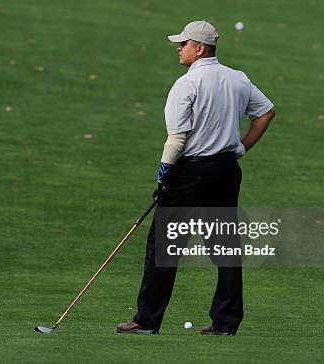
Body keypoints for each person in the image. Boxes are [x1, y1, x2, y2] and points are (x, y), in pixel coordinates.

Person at [116, 20, 275, 335]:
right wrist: (240, 148)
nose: (179, 48)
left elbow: (176, 138)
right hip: (226, 171)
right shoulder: (237, 79)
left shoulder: (186, 84)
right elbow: (265, 112)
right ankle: (226, 322)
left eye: (183, 43)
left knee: (164, 245)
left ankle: (147, 320)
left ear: (199, 48)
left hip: (191, 173)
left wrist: (164, 175)